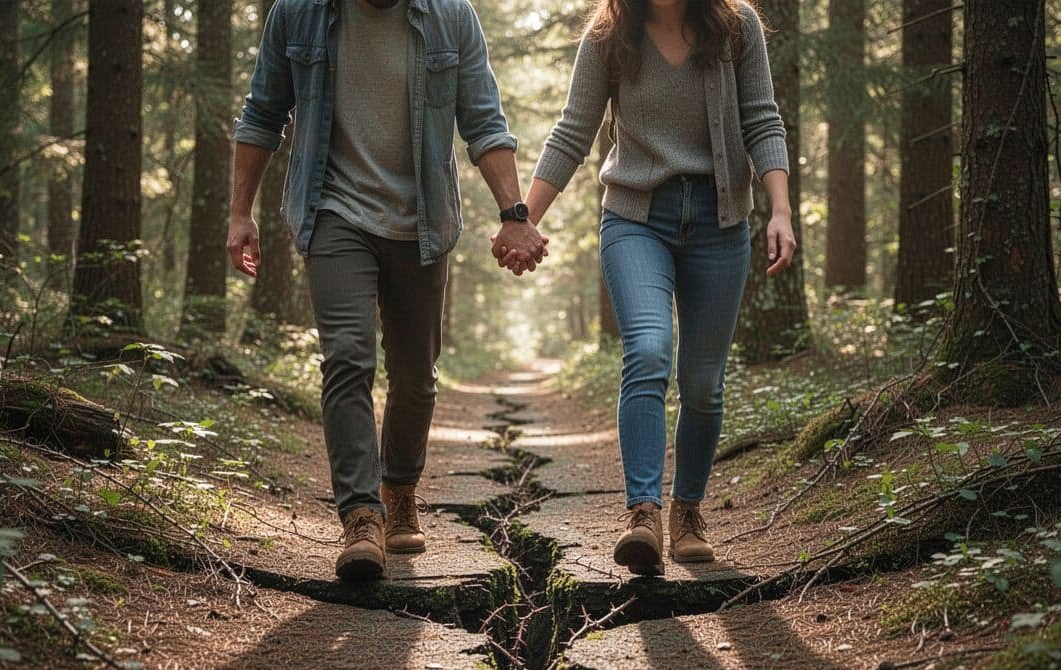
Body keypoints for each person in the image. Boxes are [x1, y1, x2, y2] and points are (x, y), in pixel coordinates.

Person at [228, 0, 546, 581]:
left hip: (420, 221)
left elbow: (484, 122)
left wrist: (515, 213)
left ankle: (398, 488)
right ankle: (360, 515)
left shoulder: (451, 16)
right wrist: (239, 212)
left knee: (416, 375)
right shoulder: (297, 14)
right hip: (332, 213)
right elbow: (261, 114)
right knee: (347, 358)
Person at [512, 0, 796, 575]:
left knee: (703, 383)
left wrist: (781, 209)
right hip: (636, 218)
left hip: (720, 222)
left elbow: (761, 119)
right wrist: (525, 218)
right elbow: (573, 130)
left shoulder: (736, 28)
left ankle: (687, 511)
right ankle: (644, 513)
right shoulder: (609, 36)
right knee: (646, 349)